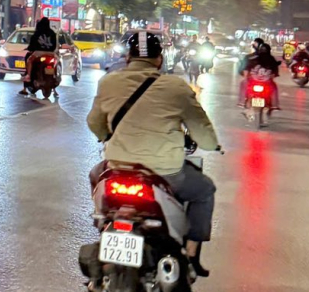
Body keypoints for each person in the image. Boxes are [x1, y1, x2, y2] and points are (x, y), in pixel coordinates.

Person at [87, 31, 220, 278]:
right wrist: (212, 145)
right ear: (160, 59)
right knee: (204, 190)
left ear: (128, 58)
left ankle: (105, 223)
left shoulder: (108, 82)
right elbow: (204, 134)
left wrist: (107, 136)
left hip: (118, 168)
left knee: (95, 175)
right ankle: (191, 254)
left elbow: (95, 123)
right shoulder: (176, 87)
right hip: (164, 172)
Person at [240, 39, 280, 116]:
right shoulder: (271, 59)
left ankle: (242, 102)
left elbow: (246, 69)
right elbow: (274, 73)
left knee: (244, 84)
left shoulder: (253, 58)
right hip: (264, 82)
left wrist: (246, 77)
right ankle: (274, 105)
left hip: (255, 81)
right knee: (274, 87)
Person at [20, 17, 59, 95]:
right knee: (55, 64)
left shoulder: (37, 33)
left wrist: (30, 48)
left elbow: (32, 45)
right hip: (51, 53)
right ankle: (55, 79)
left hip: (38, 53)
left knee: (29, 60)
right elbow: (54, 45)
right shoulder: (52, 33)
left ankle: (28, 76)